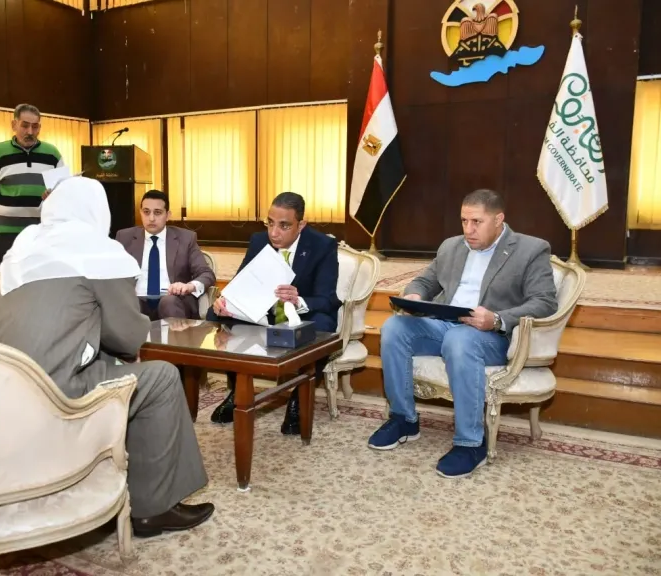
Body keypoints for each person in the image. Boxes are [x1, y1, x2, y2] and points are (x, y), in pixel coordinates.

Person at [0, 176, 214, 537]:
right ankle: (153, 509)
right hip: (51, 391)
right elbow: (128, 338)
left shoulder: (24, 246)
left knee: (105, 363)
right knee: (161, 377)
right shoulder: (98, 252)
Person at [367, 189, 558, 478]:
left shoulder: (531, 249)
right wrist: (415, 295)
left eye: (477, 222)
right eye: (464, 221)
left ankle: (471, 443)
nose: (468, 230)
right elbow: (425, 281)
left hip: (492, 336)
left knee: (459, 339)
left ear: (498, 220)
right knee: (394, 328)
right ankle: (404, 419)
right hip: (446, 323)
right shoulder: (452, 246)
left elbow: (544, 301)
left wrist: (496, 319)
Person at [206, 192, 341, 433]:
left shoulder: (322, 246)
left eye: (284, 225)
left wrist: (298, 299)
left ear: (301, 225)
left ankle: (299, 399)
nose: (274, 233)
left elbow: (327, 299)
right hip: (264, 313)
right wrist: (224, 301)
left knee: (323, 325)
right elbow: (240, 283)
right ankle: (238, 391)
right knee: (216, 314)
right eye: (270, 223)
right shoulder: (259, 241)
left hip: (303, 315)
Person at [0, 103, 65, 283]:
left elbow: (65, 193)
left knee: (38, 284)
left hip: (41, 233)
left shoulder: (53, 154)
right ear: (14, 124)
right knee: (3, 284)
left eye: (35, 126)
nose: (30, 131)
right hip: (5, 234)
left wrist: (55, 197)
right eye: (25, 125)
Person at [116, 190, 216, 320]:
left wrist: (188, 286)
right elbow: (110, 273)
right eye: (146, 212)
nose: (151, 218)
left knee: (168, 302)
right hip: (136, 299)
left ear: (167, 215)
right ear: (140, 213)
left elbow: (206, 274)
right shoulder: (124, 237)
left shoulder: (185, 238)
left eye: (157, 212)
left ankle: (176, 335)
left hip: (173, 300)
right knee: (128, 303)